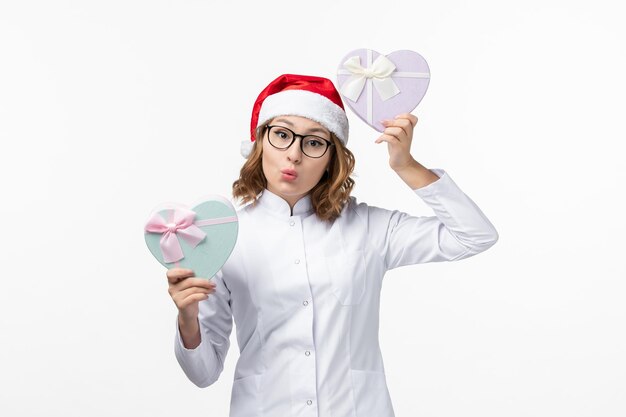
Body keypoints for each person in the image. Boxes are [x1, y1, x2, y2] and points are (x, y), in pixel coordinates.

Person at [165, 74, 498, 417]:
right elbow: (203, 374)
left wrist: (406, 165)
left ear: (331, 158)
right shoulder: (226, 238)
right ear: (260, 142)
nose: (294, 154)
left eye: (313, 143)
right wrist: (188, 318)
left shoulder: (369, 228)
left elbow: (474, 235)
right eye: (282, 135)